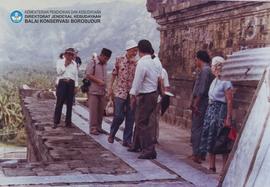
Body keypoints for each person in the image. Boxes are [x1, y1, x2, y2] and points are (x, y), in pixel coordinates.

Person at [199, 56, 233, 172]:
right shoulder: (215, 80)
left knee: (222, 138)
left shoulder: (226, 82)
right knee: (211, 137)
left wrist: (228, 117)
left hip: (220, 112)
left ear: (218, 67)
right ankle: (212, 165)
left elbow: (229, 100)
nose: (212, 68)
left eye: (213, 66)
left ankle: (224, 168)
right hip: (211, 111)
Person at [129, 39, 161, 159]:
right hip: (153, 93)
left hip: (145, 95)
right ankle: (139, 146)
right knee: (146, 122)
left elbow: (138, 81)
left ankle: (148, 149)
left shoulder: (142, 63)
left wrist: (133, 95)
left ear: (139, 50)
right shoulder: (154, 62)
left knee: (141, 122)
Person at [107, 40, 138, 147]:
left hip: (132, 93)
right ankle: (112, 133)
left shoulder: (137, 63)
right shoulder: (119, 60)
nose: (135, 53)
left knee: (131, 117)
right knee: (119, 115)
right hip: (120, 92)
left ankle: (127, 140)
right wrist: (110, 88)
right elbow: (114, 75)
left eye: (136, 51)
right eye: (134, 50)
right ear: (128, 50)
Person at [190, 50, 214, 163]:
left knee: (197, 128)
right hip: (203, 101)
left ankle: (197, 153)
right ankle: (201, 152)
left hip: (201, 102)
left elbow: (202, 89)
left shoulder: (205, 70)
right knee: (201, 127)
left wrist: (196, 102)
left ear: (199, 59)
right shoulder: (207, 70)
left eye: (196, 59)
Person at [85, 48, 112, 135]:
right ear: (102, 55)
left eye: (108, 59)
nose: (106, 60)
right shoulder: (92, 62)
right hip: (93, 91)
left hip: (102, 91)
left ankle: (99, 127)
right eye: (105, 58)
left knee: (101, 111)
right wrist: (98, 81)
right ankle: (93, 128)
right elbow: (88, 75)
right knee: (94, 111)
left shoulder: (105, 65)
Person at [53, 48, 78, 128]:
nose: (70, 56)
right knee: (59, 102)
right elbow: (59, 72)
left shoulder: (74, 64)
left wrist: (76, 86)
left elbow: (75, 76)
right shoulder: (60, 62)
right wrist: (65, 64)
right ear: (65, 54)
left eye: (72, 55)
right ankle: (56, 122)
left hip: (71, 83)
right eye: (69, 54)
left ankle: (68, 122)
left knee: (70, 104)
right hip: (62, 82)